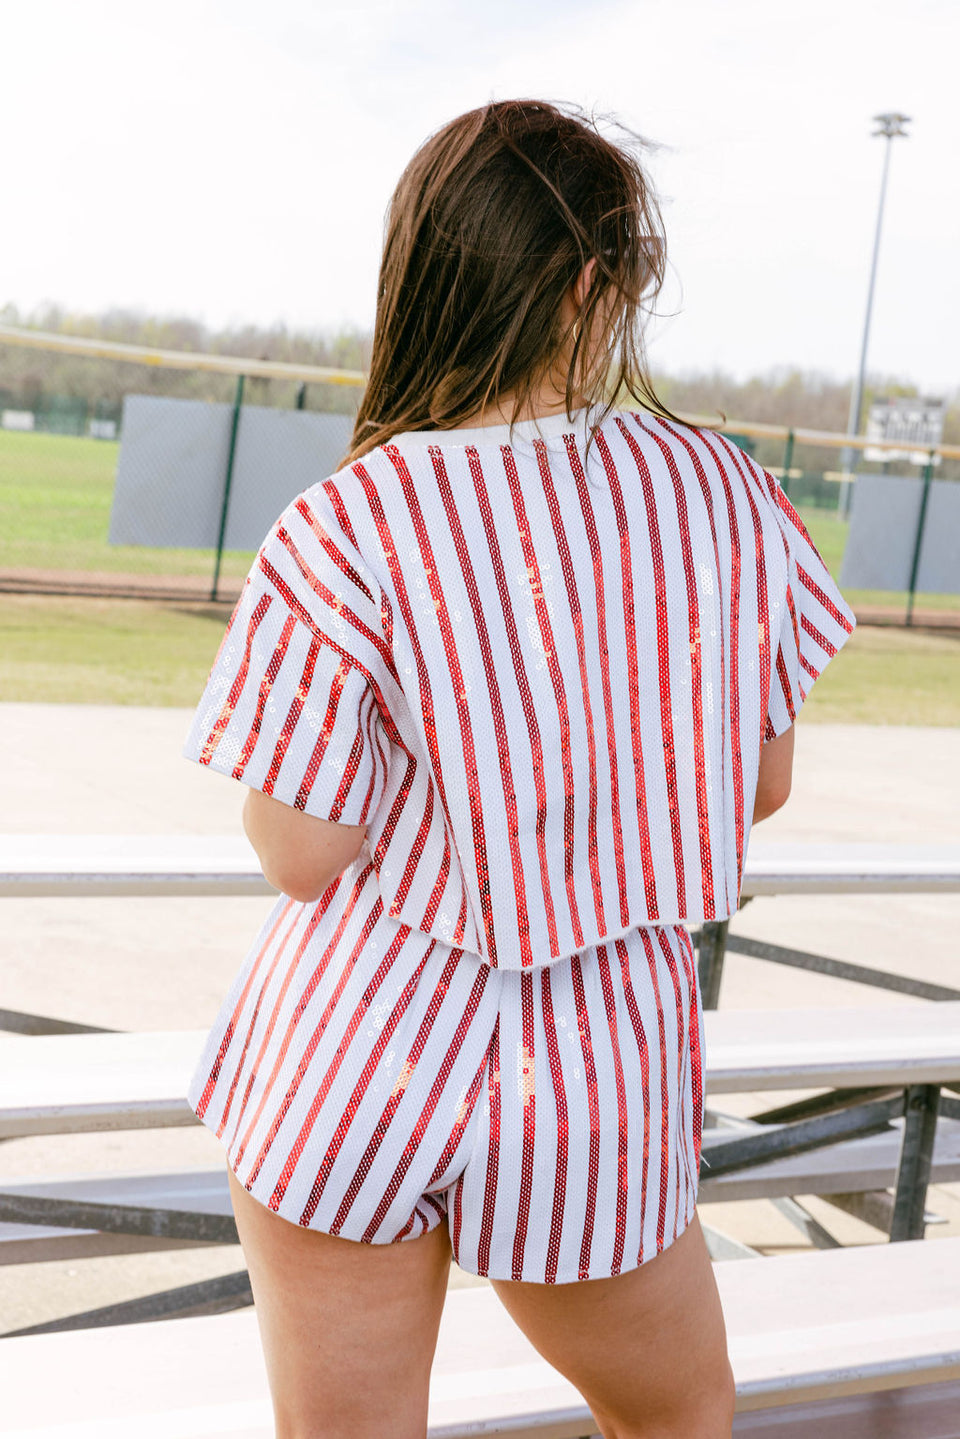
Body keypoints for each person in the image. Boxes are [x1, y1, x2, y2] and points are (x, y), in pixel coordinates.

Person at [183, 99, 855, 1439]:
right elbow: (758, 784)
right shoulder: (727, 495)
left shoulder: (348, 522)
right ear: (596, 285)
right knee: (675, 1415)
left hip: (357, 1048)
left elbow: (300, 853)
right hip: (603, 1067)